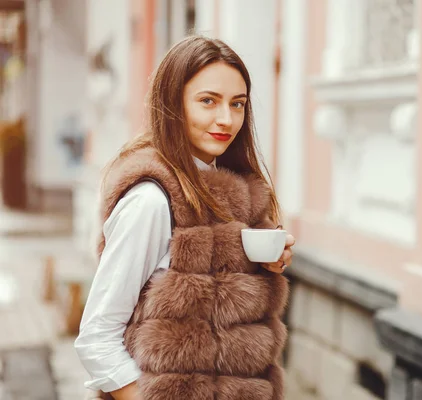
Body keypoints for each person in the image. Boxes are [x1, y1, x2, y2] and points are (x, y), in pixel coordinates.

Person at [75, 36, 294, 400]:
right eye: (208, 101)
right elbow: (97, 338)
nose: (226, 119)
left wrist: (266, 259)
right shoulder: (152, 200)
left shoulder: (234, 194)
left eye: (237, 104)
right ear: (172, 103)